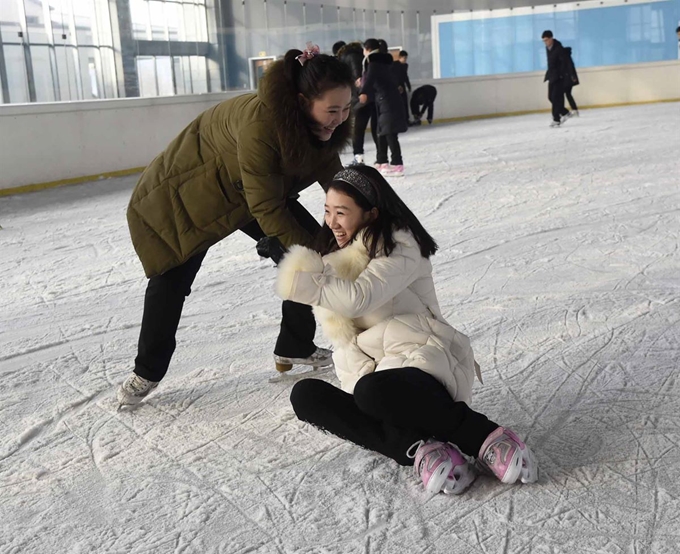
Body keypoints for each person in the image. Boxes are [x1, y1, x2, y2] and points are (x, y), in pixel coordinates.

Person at [276, 166, 539, 495]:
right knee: (306, 397)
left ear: (371, 213)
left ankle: (484, 436)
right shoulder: (330, 263)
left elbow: (359, 298)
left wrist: (303, 279)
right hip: (371, 383)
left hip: (424, 367)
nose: (332, 222)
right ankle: (420, 449)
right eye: (327, 211)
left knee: (373, 393)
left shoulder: (400, 246)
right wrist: (300, 266)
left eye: (342, 212)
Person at [117, 43, 354, 406]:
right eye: (333, 110)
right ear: (304, 100)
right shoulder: (262, 125)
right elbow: (268, 206)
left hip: (245, 189)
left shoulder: (316, 126)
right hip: (186, 198)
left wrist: (369, 217)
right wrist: (314, 252)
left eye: (347, 108)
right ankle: (146, 372)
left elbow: (335, 180)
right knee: (171, 280)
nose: (340, 117)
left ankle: (295, 345)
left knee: (314, 248)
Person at [359, 39, 408, 176]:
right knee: (382, 131)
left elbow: (369, 80)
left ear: (367, 49)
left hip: (388, 101)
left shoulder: (373, 64)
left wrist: (363, 92)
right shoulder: (383, 64)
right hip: (384, 100)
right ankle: (382, 160)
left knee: (390, 133)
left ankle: (397, 164)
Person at [337, 41, 378, 167]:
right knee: (376, 129)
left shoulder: (349, 57)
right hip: (372, 95)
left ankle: (359, 157)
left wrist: (360, 92)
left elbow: (357, 76)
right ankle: (382, 157)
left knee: (358, 130)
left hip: (360, 98)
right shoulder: (361, 55)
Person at [541, 30, 572, 127]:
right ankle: (565, 112)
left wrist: (563, 75)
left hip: (559, 77)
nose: (545, 42)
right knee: (550, 97)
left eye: (546, 40)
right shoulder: (548, 48)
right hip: (551, 76)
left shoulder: (559, 48)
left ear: (551, 38)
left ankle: (556, 119)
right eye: (544, 41)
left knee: (556, 97)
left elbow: (565, 63)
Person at [391, 50, 412, 123]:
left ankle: (406, 119)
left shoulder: (405, 65)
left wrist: (408, 86)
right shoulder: (394, 64)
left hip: (402, 85)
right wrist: (397, 85)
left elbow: (405, 76)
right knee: (397, 103)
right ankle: (398, 119)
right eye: (404, 58)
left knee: (405, 103)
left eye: (406, 58)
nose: (405, 60)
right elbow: (393, 76)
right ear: (400, 57)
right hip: (396, 86)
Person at [563, 46, 580, 116]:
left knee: (566, 94)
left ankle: (574, 109)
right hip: (568, 79)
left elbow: (570, 68)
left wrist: (572, 77)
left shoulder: (566, 58)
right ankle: (574, 109)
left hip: (568, 79)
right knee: (568, 94)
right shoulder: (568, 58)